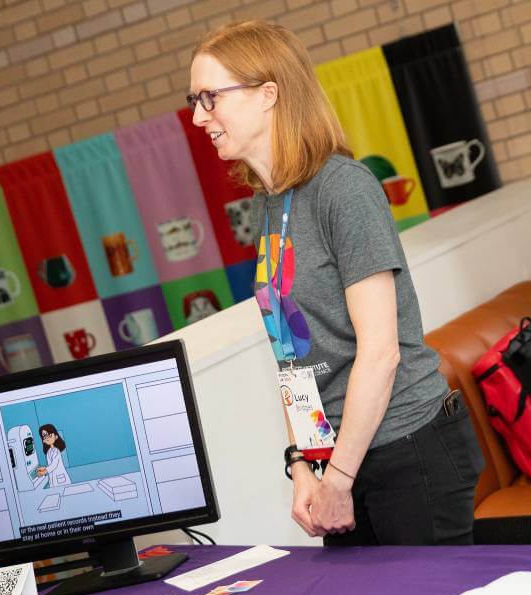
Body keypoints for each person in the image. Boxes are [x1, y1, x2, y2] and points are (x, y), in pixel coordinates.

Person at [188, 21, 484, 545]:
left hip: (408, 450)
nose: (198, 117)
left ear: (268, 94)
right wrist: (302, 462)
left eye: (211, 97)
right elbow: (292, 355)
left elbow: (380, 354)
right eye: (195, 100)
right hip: (340, 459)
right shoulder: (268, 205)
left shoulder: (342, 189)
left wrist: (338, 478)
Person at [36, 423, 71, 488]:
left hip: (61, 480)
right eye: (45, 437)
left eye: (49, 436)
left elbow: (54, 465)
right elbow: (50, 465)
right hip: (54, 479)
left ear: (56, 436)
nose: (47, 438)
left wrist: (45, 471)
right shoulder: (49, 451)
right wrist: (44, 468)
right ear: (43, 440)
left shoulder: (56, 451)